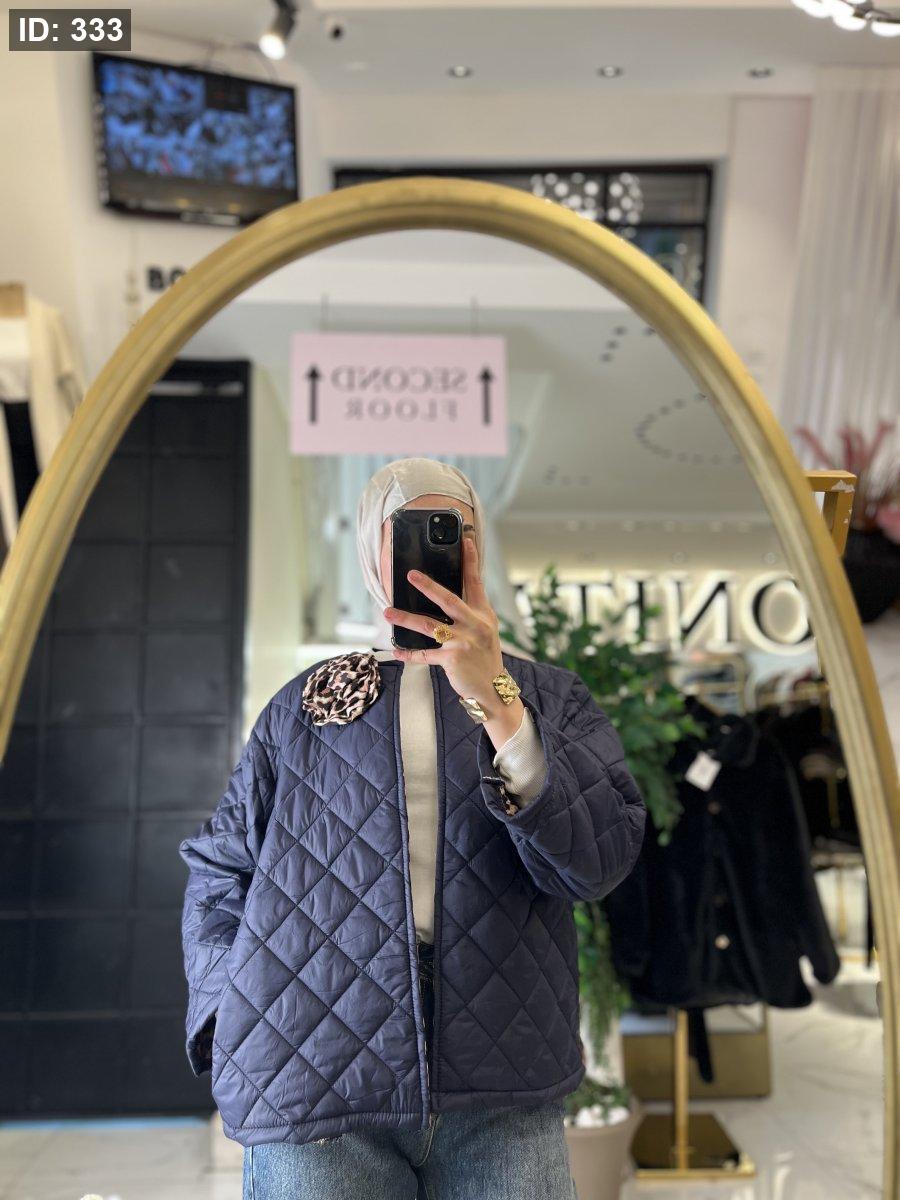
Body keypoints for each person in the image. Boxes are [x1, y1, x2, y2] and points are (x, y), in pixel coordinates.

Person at [179, 456, 647, 1200]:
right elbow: (221, 868)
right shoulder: (302, 705)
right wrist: (228, 1011)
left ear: (479, 546)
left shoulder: (548, 697)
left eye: (454, 530)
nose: (432, 551)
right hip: (313, 1076)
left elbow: (599, 862)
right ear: (372, 549)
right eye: (406, 532)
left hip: (504, 1079)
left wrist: (502, 705)